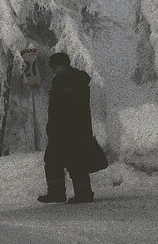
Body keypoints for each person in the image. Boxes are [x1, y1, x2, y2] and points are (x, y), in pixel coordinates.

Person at [37, 51, 109, 205]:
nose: (55, 70)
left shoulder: (71, 81)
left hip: (70, 131)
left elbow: (66, 108)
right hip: (66, 131)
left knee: (70, 161)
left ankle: (77, 193)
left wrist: (58, 126)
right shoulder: (66, 81)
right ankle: (66, 193)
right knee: (61, 161)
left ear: (63, 65)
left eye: (56, 66)